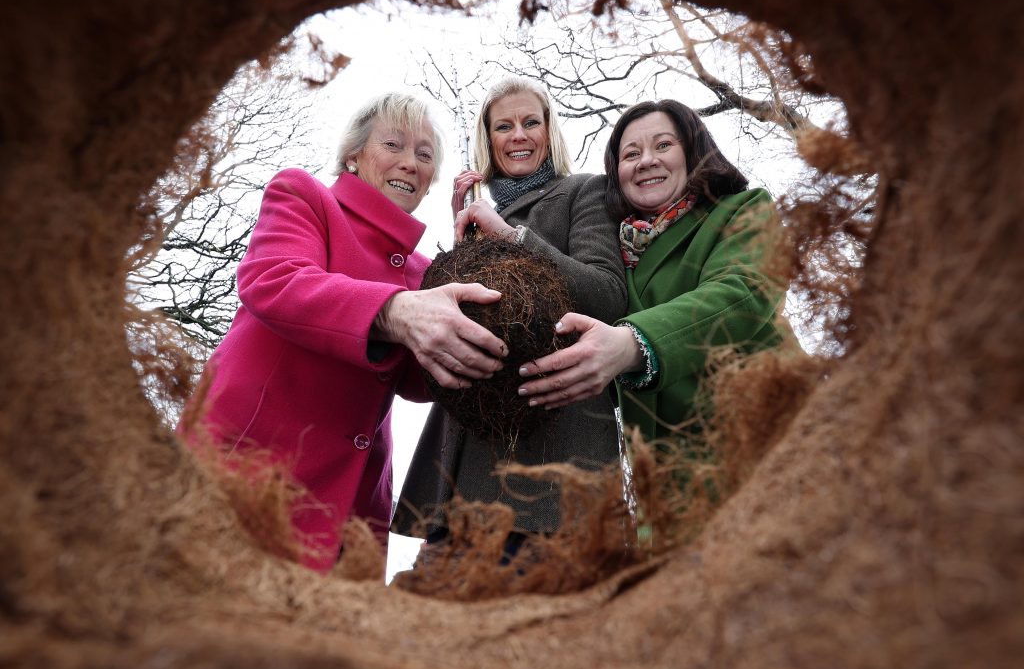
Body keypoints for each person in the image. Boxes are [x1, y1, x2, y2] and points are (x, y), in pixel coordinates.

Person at [180, 93, 508, 573]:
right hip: (241, 477)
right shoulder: (304, 197)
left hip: (350, 512)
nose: (409, 163)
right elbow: (274, 279)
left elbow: (419, 383)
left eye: (424, 155)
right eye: (393, 144)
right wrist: (396, 313)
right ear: (353, 156)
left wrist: (470, 275)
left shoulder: (425, 271)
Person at [392, 76, 627, 553]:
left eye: (530, 123)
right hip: (463, 466)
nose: (518, 135)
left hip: (552, 463)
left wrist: (510, 235)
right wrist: (462, 252)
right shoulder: (483, 213)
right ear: (489, 139)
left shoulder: (584, 191)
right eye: (504, 126)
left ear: (548, 131)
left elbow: (607, 295)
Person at [518, 98, 786, 451]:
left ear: (693, 153)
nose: (646, 161)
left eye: (663, 145)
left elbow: (743, 293)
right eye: (631, 154)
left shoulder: (743, 210)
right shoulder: (611, 263)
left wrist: (630, 345)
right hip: (668, 481)